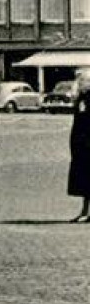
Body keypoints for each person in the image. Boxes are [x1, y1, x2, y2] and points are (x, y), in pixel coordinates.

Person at [68, 70, 90, 221]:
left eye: (81, 82)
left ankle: (86, 212)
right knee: (84, 179)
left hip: (87, 143)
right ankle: (85, 210)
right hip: (81, 144)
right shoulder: (82, 98)